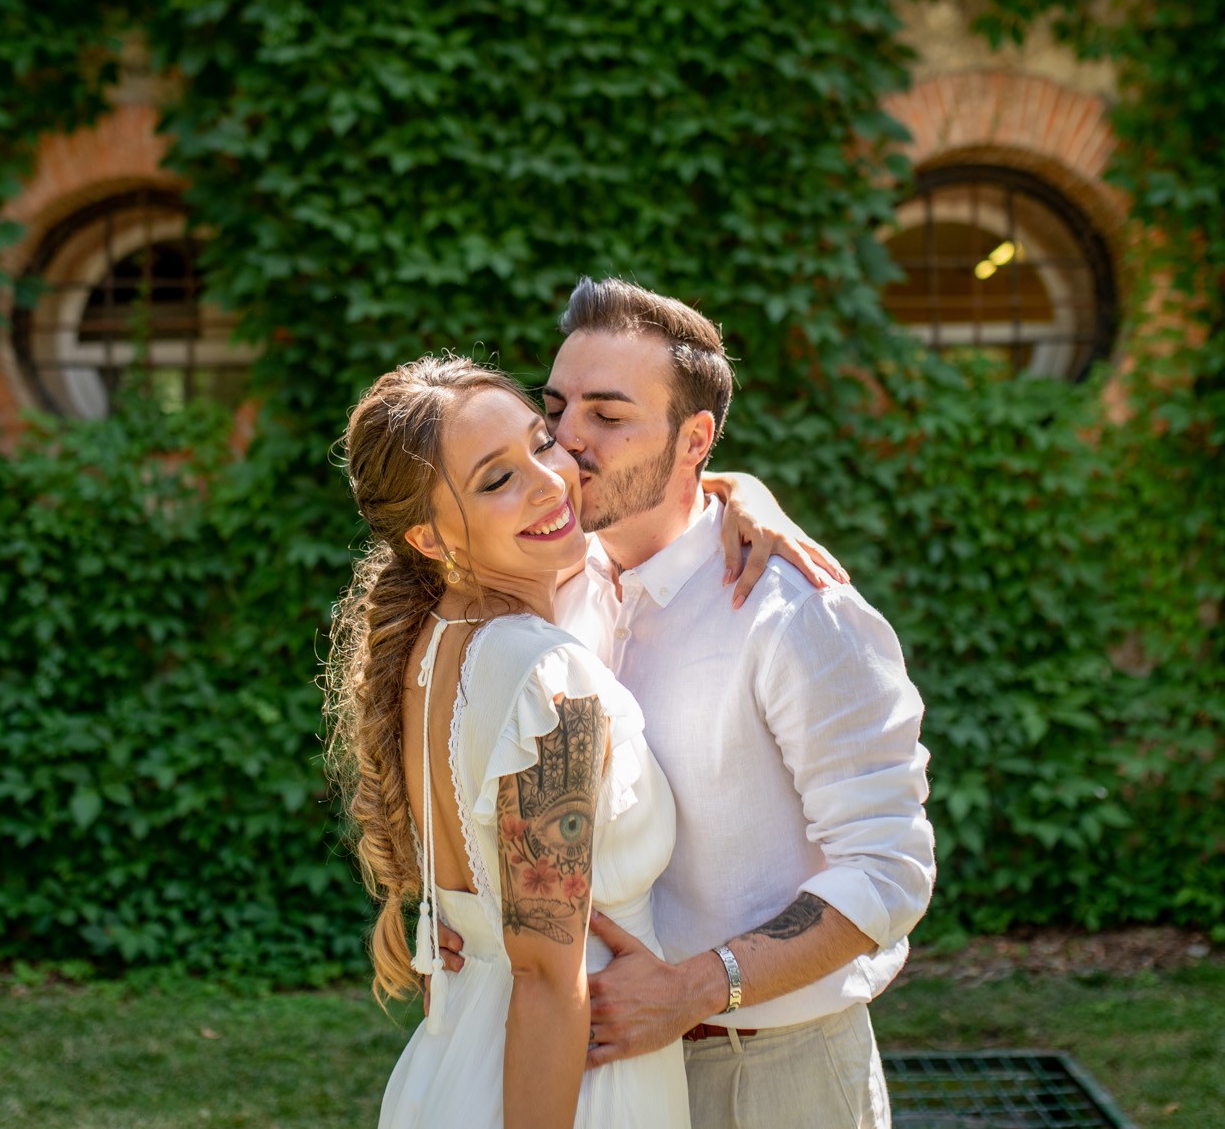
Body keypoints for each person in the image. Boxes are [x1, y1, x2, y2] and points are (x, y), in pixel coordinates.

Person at [442, 278, 936, 1127]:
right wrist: (447, 911)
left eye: (609, 415)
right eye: (555, 410)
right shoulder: (550, 590)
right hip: (598, 1071)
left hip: (769, 1073)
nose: (568, 440)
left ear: (694, 438)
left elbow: (888, 867)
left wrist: (698, 986)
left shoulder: (797, 615)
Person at [325, 355, 827, 1128]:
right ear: (428, 535)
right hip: (572, 1084)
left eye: (541, 441)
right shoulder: (549, 681)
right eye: (497, 479)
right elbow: (546, 980)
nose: (550, 480)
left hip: (457, 1062)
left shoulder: (427, 647)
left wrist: (741, 490)